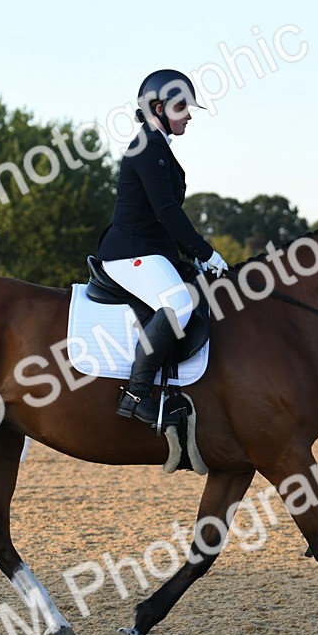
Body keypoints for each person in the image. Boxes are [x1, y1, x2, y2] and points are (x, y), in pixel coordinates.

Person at [98, 69, 229, 424]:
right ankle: (135, 393)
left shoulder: (157, 147)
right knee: (179, 302)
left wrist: (191, 258)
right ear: (158, 107)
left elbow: (164, 219)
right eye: (182, 106)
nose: (189, 114)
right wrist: (204, 251)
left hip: (150, 249)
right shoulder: (148, 147)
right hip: (130, 252)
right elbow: (166, 211)